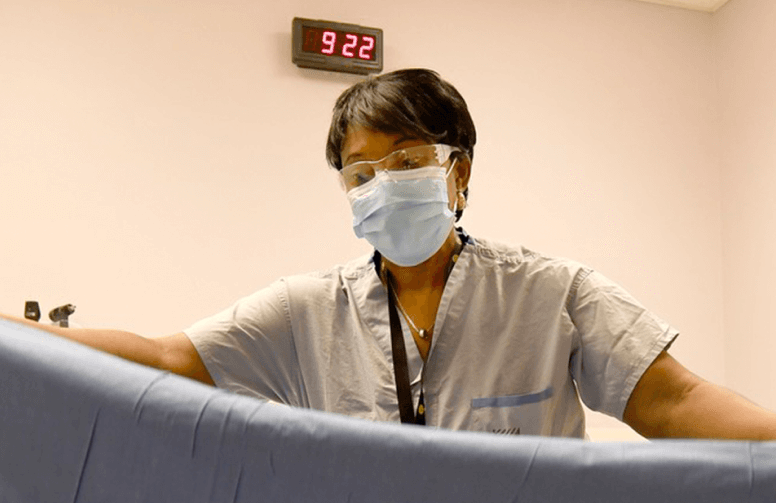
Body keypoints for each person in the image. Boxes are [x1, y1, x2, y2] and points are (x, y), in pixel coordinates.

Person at [3, 68, 776, 440]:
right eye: (360, 174)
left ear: (458, 170)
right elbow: (167, 357)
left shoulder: (553, 297)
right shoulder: (307, 311)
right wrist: (19, 336)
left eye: (407, 162)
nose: (381, 185)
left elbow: (673, 401)